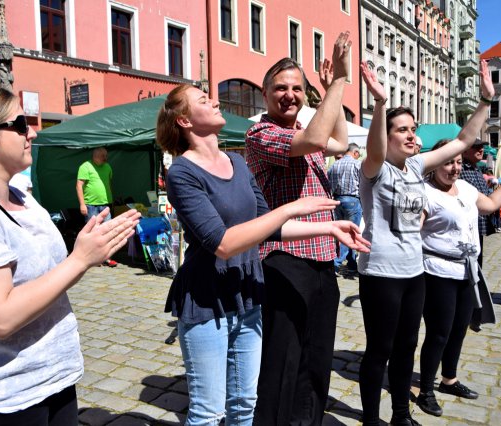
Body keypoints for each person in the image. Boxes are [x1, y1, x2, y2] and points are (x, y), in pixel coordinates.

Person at [0, 85, 141, 425]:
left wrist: (87, 252)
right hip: (2, 396)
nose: (32, 132)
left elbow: (47, 277)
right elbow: (0, 317)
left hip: (52, 377)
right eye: (20, 124)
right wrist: (78, 259)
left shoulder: (21, 195)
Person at [156, 83, 369, 426]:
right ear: (183, 120)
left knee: (245, 404)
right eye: (202, 99)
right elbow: (223, 242)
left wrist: (327, 228)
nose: (213, 101)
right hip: (207, 301)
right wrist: (290, 209)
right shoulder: (182, 172)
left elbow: (264, 226)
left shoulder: (237, 163)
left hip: (248, 295)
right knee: (209, 412)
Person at [358, 58, 494, 426]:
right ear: (386, 135)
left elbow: (465, 141)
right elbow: (374, 150)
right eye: (401, 129)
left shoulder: (418, 167)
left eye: (412, 128)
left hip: (414, 273)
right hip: (381, 274)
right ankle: (372, 419)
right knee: (380, 351)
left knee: (406, 348)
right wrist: (380, 103)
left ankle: (400, 415)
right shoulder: (374, 169)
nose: (410, 134)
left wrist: (485, 101)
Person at [246, 32, 352, 425]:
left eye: (297, 88)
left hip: (323, 259)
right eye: (280, 88)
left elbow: (338, 140)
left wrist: (328, 91)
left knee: (316, 359)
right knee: (282, 362)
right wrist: (339, 80)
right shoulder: (261, 134)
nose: (289, 95)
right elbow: (318, 138)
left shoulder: (305, 131)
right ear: (265, 94)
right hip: (284, 259)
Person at [416, 140, 501, 418]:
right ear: (434, 163)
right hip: (437, 271)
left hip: (467, 271)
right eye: (447, 162)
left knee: (459, 328)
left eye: (457, 162)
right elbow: (411, 233)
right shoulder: (425, 193)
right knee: (439, 332)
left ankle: (449, 380)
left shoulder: (465, 188)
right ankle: (426, 391)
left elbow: (490, 204)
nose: (454, 168)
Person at [76, 147, 118, 266]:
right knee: (92, 232)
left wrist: (111, 200)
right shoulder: (85, 167)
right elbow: (79, 186)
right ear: (95, 156)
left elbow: (108, 184)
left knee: (108, 231)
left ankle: (107, 258)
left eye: (106, 155)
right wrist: (82, 204)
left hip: (105, 204)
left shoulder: (107, 167)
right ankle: (93, 259)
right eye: (103, 156)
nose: (106, 158)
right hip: (91, 205)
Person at [328, 143, 362, 275]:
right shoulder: (357, 164)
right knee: (351, 234)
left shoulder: (335, 164)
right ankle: (336, 264)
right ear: (355, 153)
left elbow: (328, 183)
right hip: (353, 200)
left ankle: (351, 262)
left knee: (340, 233)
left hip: (337, 200)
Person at [459, 140, 489, 266]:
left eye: (482, 147)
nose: (481, 150)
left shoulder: (476, 168)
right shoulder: (460, 169)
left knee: (477, 262)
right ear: (465, 151)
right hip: (466, 225)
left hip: (479, 224)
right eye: (476, 147)